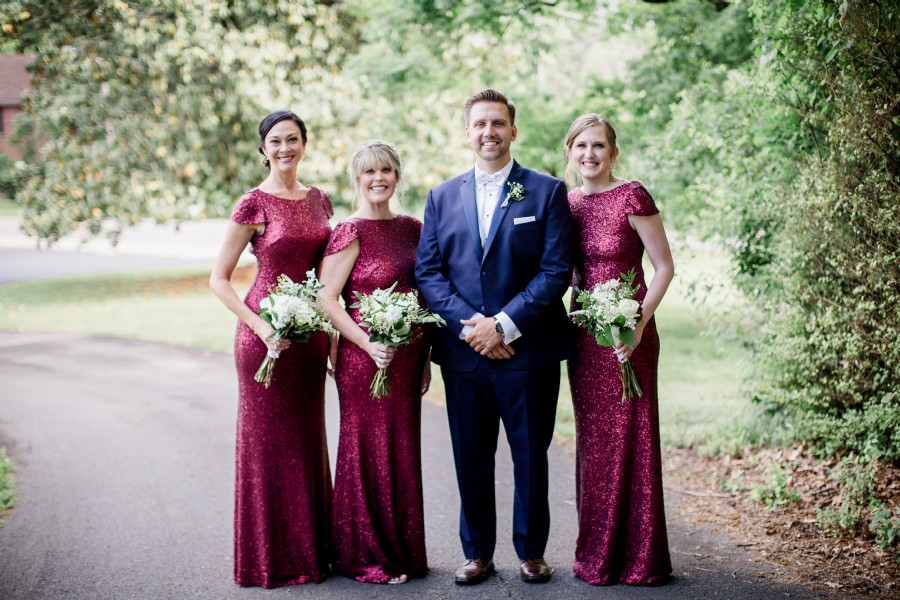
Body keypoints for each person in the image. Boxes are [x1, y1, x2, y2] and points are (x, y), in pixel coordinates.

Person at [415, 89, 575, 585]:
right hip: (466, 355)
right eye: (480, 124)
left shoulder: (547, 192)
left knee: (530, 454)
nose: (490, 133)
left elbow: (554, 272)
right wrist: (473, 328)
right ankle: (477, 552)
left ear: (513, 130)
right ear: (467, 132)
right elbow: (429, 271)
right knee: (471, 456)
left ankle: (531, 551)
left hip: (529, 351)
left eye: (498, 123)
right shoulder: (442, 196)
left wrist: (503, 325)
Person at [209, 110, 333, 588]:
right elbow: (218, 281)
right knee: (267, 447)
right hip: (265, 337)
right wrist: (260, 327)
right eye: (276, 141)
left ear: (305, 143)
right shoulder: (252, 203)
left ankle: (311, 556)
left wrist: (335, 332)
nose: (285, 148)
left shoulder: (320, 199)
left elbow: (328, 277)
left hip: (309, 340)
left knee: (306, 442)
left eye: (293, 139)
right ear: (264, 149)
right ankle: (268, 560)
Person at [563, 113, 675, 586]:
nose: (590, 154)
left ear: (613, 152)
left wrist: (637, 324)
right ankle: (597, 553)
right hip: (585, 339)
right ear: (569, 152)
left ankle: (639, 557)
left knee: (633, 437)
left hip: (630, 335)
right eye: (581, 146)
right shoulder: (565, 204)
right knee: (594, 443)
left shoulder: (632, 195)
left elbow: (664, 267)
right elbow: (567, 273)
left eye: (598, 146)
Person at [319, 140, 430, 585]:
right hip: (363, 359)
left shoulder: (413, 229)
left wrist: (422, 358)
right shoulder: (349, 231)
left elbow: (423, 292)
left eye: (386, 170)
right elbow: (329, 300)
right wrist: (367, 344)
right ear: (357, 179)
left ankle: (402, 551)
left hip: (405, 358)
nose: (378, 178)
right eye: (369, 172)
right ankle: (365, 555)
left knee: (402, 449)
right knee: (368, 451)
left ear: (397, 176)